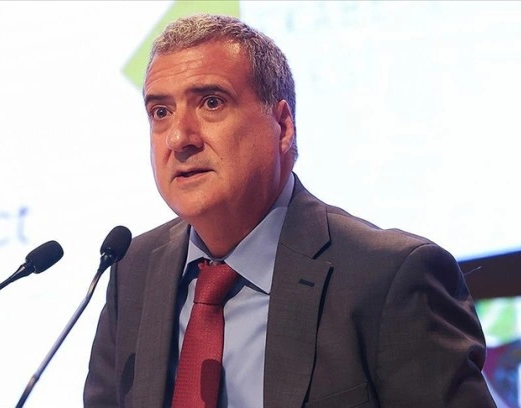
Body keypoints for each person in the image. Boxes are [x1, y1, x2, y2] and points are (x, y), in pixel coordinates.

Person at [85, 13, 496, 408]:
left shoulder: (390, 277)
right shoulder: (133, 270)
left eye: (211, 103)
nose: (179, 137)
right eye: (160, 112)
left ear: (282, 126)